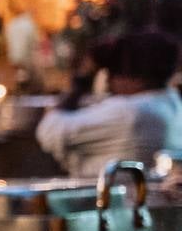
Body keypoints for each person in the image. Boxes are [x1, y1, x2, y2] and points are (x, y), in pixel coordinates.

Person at [36, 31, 182, 178]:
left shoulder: (129, 112)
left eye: (113, 72)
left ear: (136, 78)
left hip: (110, 199)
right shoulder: (172, 103)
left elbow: (48, 132)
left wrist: (81, 82)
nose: (109, 82)